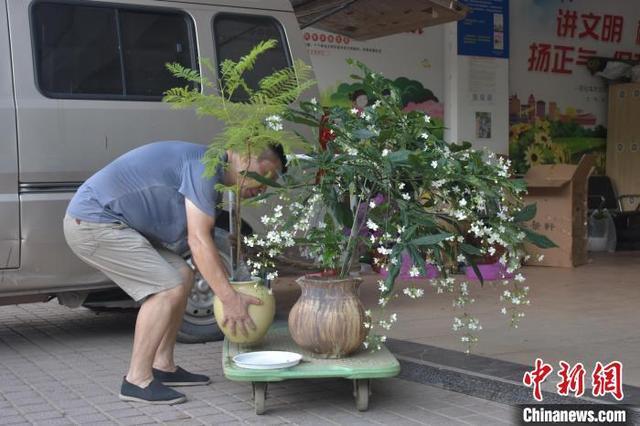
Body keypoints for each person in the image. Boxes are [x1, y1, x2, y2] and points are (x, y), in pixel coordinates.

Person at [63, 140, 285, 404]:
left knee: (182, 275)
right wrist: (229, 299)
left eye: (273, 179)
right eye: (266, 172)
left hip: (113, 222)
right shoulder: (205, 166)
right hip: (94, 221)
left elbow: (200, 240)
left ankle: (163, 366)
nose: (266, 183)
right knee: (166, 287)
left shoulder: (209, 168)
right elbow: (198, 241)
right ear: (245, 154)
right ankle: (136, 380)